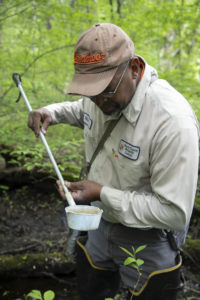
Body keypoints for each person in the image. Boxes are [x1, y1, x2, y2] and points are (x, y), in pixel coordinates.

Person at [28, 23, 199, 300]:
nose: (97, 100)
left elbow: (175, 213)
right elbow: (81, 110)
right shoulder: (100, 99)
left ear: (134, 68)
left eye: (105, 90)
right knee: (92, 288)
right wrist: (51, 112)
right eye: (89, 91)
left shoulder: (172, 122)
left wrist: (101, 193)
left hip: (149, 240)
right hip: (98, 224)